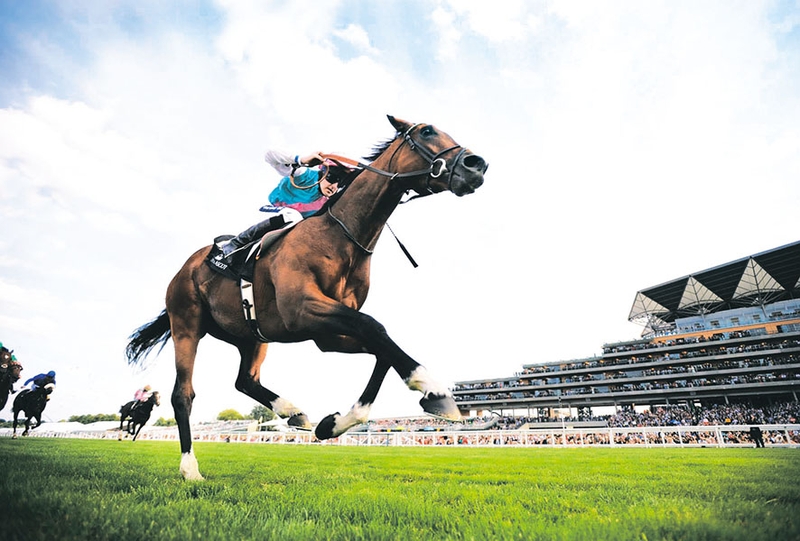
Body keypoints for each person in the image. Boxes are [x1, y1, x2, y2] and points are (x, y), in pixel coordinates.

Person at [216, 150, 352, 256]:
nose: (334, 186)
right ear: (323, 171)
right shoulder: (304, 175)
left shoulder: (329, 202)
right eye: (332, 178)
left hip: (289, 228)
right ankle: (233, 244)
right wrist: (301, 160)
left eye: (340, 183)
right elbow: (270, 155)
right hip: (270, 211)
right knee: (293, 216)